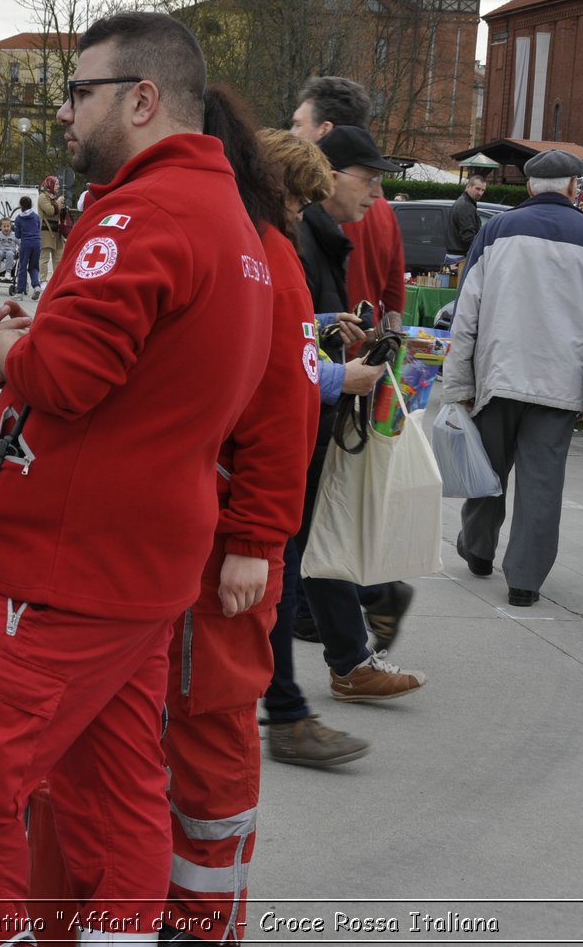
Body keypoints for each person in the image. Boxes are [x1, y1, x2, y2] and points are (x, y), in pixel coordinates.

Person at [0, 11, 274, 947]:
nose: (65, 112)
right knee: (115, 793)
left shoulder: (145, 209)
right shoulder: (224, 216)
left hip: (72, 571)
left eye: (79, 91)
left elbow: (66, 375)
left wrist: (6, 348)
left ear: (143, 100)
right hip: (136, 564)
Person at [158, 88, 320, 943]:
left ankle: (203, 919)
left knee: (211, 730)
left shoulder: (261, 253)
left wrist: (254, 541)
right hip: (165, 548)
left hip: (221, 555)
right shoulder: (203, 238)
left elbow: (283, 413)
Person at [262, 126, 424, 770]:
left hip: (287, 436)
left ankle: (313, 686)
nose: (376, 195)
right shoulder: (274, 245)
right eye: (298, 202)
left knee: (289, 560)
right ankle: (291, 705)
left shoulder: (284, 241)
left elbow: (279, 335)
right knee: (274, 568)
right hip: (268, 445)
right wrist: (339, 376)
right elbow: (269, 359)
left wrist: (325, 327)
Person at [440, 149, 583, 607]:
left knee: (487, 468)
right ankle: (525, 580)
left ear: (528, 187)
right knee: (543, 482)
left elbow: (467, 315)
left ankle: (478, 549)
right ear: (576, 189)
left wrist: (458, 382)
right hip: (560, 381)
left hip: (498, 373)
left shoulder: (495, 231)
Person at [290, 77, 404, 331]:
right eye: (369, 179)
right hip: (345, 360)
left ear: (325, 131)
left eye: (298, 125)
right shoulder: (383, 211)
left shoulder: (294, 215)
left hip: (328, 361)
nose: (292, 135)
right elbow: (394, 303)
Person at [448, 174, 487, 257]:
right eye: (477, 189)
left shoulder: (464, 202)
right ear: (468, 186)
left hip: (456, 255)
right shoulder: (466, 206)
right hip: (460, 256)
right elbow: (468, 237)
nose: (480, 193)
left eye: (483, 190)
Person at [12, 195, 42, 299]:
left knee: (22, 267)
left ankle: (20, 292)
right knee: (34, 267)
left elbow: (17, 235)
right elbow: (39, 228)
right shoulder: (36, 216)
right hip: (37, 243)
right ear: (31, 205)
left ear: (20, 206)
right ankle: (36, 286)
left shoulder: (19, 218)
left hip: (26, 244)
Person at [36, 175, 66, 279]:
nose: (58, 186)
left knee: (58, 258)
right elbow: (50, 211)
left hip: (56, 232)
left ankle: (56, 280)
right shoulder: (43, 196)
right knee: (44, 258)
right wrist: (58, 204)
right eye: (56, 184)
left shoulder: (53, 197)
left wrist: (64, 209)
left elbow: (58, 213)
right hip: (46, 231)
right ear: (50, 184)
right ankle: (43, 280)